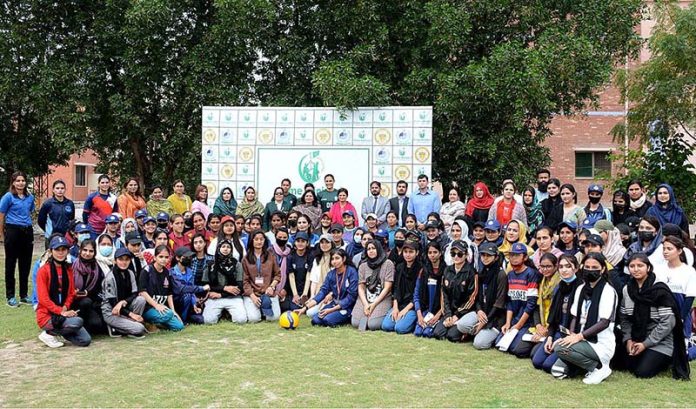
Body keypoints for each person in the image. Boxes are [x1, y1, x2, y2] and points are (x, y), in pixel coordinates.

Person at [620, 253, 690, 379]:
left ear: (648, 267)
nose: (636, 269)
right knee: (623, 364)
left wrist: (645, 344)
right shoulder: (627, 289)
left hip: (661, 341)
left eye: (640, 265)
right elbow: (624, 319)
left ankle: (668, 358)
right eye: (632, 266)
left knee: (642, 372)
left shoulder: (658, 289)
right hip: (637, 337)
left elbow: (668, 323)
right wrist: (628, 339)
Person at [551, 253, 618, 384]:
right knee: (556, 370)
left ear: (603, 269)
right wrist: (570, 335)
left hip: (599, 343)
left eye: (594, 267)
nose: (590, 270)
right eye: (587, 266)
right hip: (581, 340)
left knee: (559, 347)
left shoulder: (608, 291)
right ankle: (584, 366)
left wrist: (578, 337)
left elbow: (604, 322)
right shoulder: (581, 288)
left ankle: (599, 368)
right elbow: (575, 316)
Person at [34, 236, 92, 348]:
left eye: (63, 250)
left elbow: (71, 293)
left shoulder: (68, 269)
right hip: (47, 316)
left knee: (85, 340)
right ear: (51, 251)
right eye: (57, 250)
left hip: (63, 313)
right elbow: (43, 299)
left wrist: (65, 307)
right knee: (78, 321)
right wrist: (61, 311)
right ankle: (48, 333)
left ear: (67, 251)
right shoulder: (43, 271)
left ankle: (58, 333)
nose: (60, 253)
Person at [532, 254, 583, 373]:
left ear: (575, 268)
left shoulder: (581, 288)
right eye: (561, 267)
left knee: (548, 366)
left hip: (571, 336)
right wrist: (550, 338)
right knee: (537, 362)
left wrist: (560, 341)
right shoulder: (559, 288)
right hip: (557, 333)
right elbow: (553, 319)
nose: (564, 270)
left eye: (568, 266)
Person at [510, 253, 560, 358]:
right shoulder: (541, 281)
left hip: (553, 326)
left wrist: (547, 329)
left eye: (549, 266)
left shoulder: (560, 283)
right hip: (540, 324)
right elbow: (536, 307)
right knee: (518, 350)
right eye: (542, 267)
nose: (545, 269)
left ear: (556, 266)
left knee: (534, 355)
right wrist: (538, 326)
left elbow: (558, 312)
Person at [654, 236, 696, 357]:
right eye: (664, 248)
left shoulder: (689, 271)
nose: (665, 251)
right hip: (661, 313)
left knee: (681, 355)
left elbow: (689, 298)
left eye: (669, 249)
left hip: (679, 312)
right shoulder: (658, 269)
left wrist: (681, 318)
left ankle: (691, 347)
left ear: (679, 251)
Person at [296, 248, 359, 327]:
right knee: (315, 320)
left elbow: (351, 297)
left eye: (337, 258)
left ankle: (347, 317)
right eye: (332, 259)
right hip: (335, 304)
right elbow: (322, 292)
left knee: (327, 320)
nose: (334, 261)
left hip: (347, 306)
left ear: (344, 259)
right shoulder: (331, 274)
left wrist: (330, 310)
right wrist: (305, 308)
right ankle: (335, 315)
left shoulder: (351, 272)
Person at [1, 171, 36, 307]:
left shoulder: (30, 197)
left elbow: (30, 212)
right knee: (10, 264)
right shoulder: (8, 197)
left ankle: (23, 295)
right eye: (18, 180)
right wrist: (2, 234)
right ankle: (10, 296)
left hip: (27, 232)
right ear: (13, 182)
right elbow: (1, 215)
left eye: (23, 180)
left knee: (25, 264)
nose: (20, 183)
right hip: (12, 231)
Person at [433, 240, 479, 342]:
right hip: (450, 311)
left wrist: (457, 315)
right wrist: (448, 315)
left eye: (460, 254)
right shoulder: (447, 270)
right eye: (453, 254)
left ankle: (468, 333)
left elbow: (472, 298)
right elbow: (443, 294)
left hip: (464, 312)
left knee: (452, 336)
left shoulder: (471, 272)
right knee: (437, 334)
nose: (456, 257)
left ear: (466, 254)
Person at [498, 243, 539, 354]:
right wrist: (508, 323)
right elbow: (510, 302)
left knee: (516, 349)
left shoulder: (531, 274)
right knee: (499, 343)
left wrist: (518, 325)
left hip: (527, 322)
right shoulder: (510, 274)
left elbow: (531, 304)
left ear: (525, 257)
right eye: (511, 255)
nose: (514, 258)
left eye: (517, 255)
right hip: (515, 319)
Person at [101, 247, 147, 338]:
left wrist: (123, 302)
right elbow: (113, 303)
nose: (124, 262)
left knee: (141, 299)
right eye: (120, 259)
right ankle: (117, 327)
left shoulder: (130, 273)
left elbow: (134, 293)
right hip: (112, 311)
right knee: (140, 328)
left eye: (127, 259)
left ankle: (128, 324)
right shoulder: (110, 278)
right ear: (115, 261)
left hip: (124, 307)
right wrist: (132, 315)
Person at [138, 245, 185, 331]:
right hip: (148, 308)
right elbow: (142, 292)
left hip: (162, 308)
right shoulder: (147, 270)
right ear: (155, 257)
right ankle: (147, 322)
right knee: (168, 314)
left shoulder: (167, 272)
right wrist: (156, 305)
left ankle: (158, 324)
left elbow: (169, 294)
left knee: (179, 326)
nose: (164, 259)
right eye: (161, 256)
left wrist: (173, 311)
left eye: (166, 257)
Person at [351, 240, 395, 330]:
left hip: (382, 298)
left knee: (373, 324)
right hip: (366, 298)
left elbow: (387, 288)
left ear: (379, 249)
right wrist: (366, 304)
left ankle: (371, 316)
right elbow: (361, 287)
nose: (371, 251)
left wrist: (374, 304)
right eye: (368, 249)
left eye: (373, 248)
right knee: (355, 323)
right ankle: (367, 314)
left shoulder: (388, 264)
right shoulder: (363, 266)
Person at [201, 239, 247, 324]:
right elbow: (205, 285)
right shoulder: (210, 265)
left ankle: (227, 312)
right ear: (218, 248)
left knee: (241, 320)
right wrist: (224, 288)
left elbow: (240, 287)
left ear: (231, 250)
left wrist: (221, 294)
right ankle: (223, 313)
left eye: (228, 247)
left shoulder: (237, 264)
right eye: (223, 246)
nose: (226, 249)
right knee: (208, 321)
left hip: (232, 297)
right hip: (214, 297)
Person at [242, 230, 282, 322]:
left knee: (274, 318)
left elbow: (277, 275)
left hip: (268, 292)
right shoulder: (246, 259)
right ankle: (258, 309)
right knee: (254, 319)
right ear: (252, 241)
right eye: (256, 239)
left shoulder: (271, 256)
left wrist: (272, 287)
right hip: (253, 293)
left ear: (265, 240)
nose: (259, 242)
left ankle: (264, 309)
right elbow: (245, 281)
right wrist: (252, 296)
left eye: (261, 239)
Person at [382, 241, 420, 334]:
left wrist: (405, 310)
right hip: (399, 303)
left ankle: (413, 321)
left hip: (412, 306)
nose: (408, 254)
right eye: (405, 251)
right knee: (386, 326)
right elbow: (395, 289)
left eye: (411, 252)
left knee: (400, 328)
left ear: (417, 253)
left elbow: (419, 294)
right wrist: (395, 308)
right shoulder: (400, 267)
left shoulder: (421, 269)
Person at [71, 239, 105, 334]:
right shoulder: (71, 266)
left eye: (91, 251)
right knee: (86, 302)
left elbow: (99, 289)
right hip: (72, 301)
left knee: (97, 325)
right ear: (80, 250)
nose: (87, 253)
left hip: (90, 303)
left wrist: (88, 293)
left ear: (95, 252)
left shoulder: (97, 268)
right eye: (85, 250)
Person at [170, 246, 210, 324]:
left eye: (190, 257)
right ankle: (182, 320)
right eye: (186, 257)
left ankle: (188, 316)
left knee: (201, 320)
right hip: (176, 302)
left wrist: (194, 304)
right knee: (187, 295)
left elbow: (192, 288)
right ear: (177, 258)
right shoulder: (172, 272)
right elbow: (182, 289)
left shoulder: (189, 271)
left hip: (188, 303)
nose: (189, 259)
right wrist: (202, 288)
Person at [413, 242, 444, 337]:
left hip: (440, 311)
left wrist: (438, 315)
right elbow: (416, 294)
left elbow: (448, 298)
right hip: (425, 310)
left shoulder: (446, 271)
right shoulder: (423, 271)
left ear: (440, 253)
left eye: (435, 252)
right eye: (430, 252)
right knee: (418, 332)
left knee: (428, 333)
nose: (432, 255)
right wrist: (419, 315)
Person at [38, 180, 75, 249]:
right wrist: (49, 230)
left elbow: (71, 220)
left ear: (65, 190)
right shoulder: (47, 204)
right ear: (53, 190)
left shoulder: (70, 203)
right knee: (50, 258)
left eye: (62, 188)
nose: (60, 190)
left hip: (66, 236)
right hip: (52, 236)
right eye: (57, 188)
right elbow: (41, 221)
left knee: (66, 257)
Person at [82, 174, 118, 239]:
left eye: (107, 182)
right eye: (102, 183)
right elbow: (85, 214)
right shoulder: (91, 197)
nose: (105, 184)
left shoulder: (114, 198)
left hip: (108, 228)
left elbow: (115, 214)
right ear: (98, 184)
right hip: (93, 229)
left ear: (109, 184)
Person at [285, 231, 312, 311]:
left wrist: (305, 294)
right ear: (294, 243)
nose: (300, 243)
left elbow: (309, 275)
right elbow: (291, 276)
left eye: (303, 241)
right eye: (298, 241)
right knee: (292, 307)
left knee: (306, 306)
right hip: (294, 289)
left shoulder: (310, 256)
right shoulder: (290, 257)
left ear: (307, 243)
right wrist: (295, 294)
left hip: (306, 289)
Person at [308, 234, 334, 301]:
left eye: (327, 242)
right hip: (318, 293)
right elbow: (314, 280)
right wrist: (312, 295)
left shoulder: (335, 258)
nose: (324, 244)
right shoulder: (317, 259)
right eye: (322, 242)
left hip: (332, 294)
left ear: (332, 243)